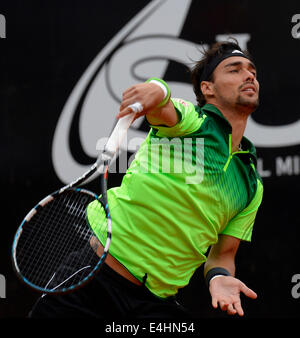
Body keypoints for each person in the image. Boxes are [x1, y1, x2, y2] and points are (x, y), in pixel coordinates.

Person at [29, 39, 263, 318]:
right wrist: (157, 88)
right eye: (234, 70)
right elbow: (161, 101)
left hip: (155, 304)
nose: (249, 75)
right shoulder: (193, 122)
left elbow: (222, 254)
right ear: (207, 88)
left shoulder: (250, 185)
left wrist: (218, 277)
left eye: (252, 71)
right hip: (91, 283)